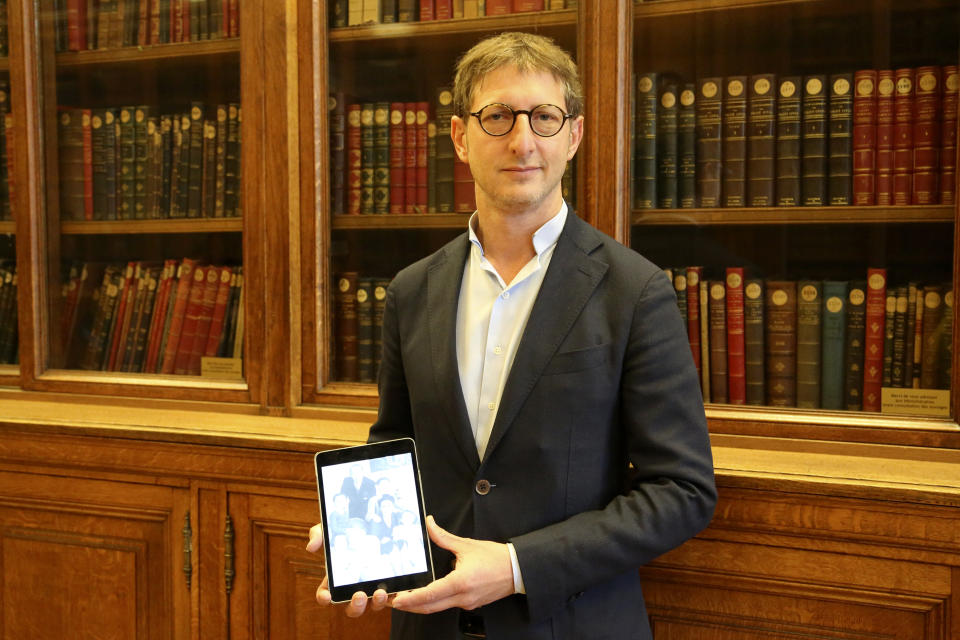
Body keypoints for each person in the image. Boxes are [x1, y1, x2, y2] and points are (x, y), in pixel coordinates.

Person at [308, 31, 716, 640]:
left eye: (544, 117)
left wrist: (518, 566)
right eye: (497, 116)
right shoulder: (412, 290)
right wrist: (359, 531)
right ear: (459, 137)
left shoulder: (635, 292)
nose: (522, 141)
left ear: (572, 136)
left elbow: (681, 490)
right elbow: (396, 442)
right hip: (432, 624)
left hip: (568, 623)